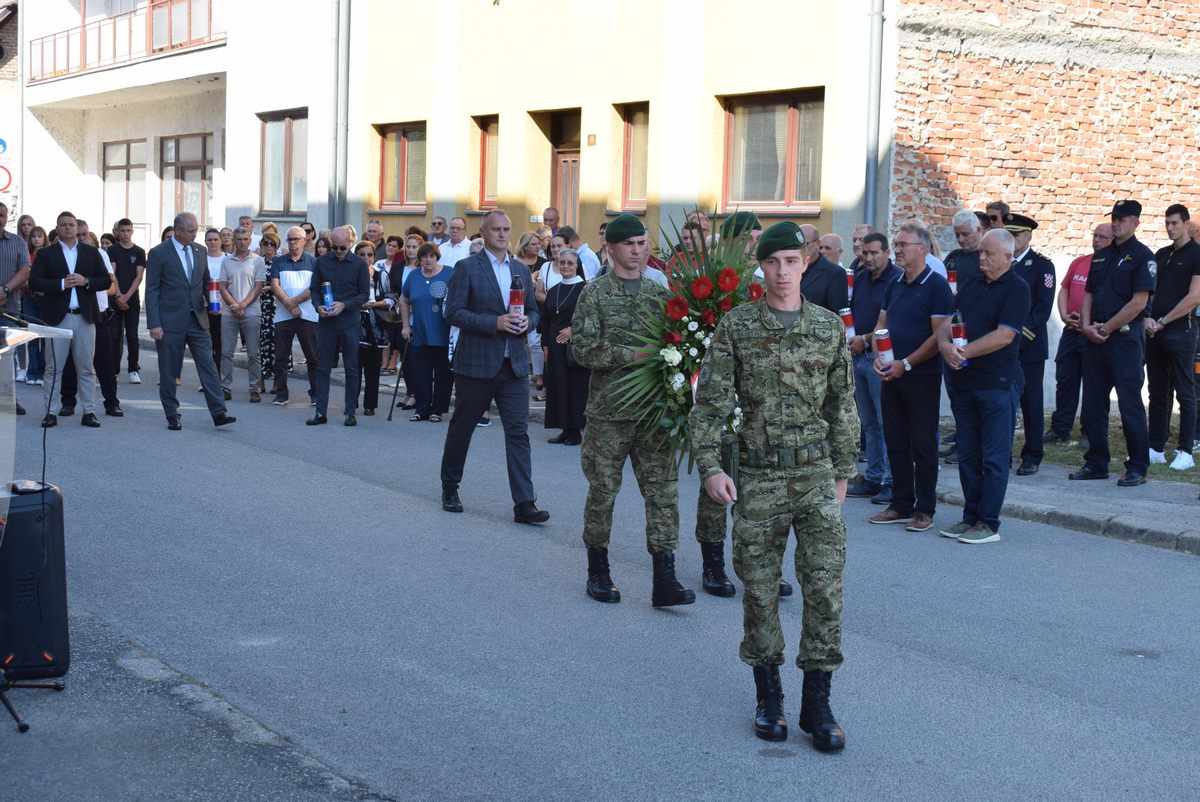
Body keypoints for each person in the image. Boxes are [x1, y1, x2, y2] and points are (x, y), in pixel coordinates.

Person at [690, 220, 855, 751]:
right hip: (758, 477)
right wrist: (712, 468)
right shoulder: (736, 327)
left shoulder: (829, 328)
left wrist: (843, 473)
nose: (783, 272)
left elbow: (842, 407)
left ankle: (818, 702)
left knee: (824, 588)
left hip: (814, 475)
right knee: (760, 592)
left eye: (791, 261)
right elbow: (710, 405)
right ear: (760, 268)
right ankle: (768, 696)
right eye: (772, 262)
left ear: (805, 263)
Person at [570, 213, 692, 607]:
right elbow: (582, 349)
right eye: (629, 244)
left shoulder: (659, 296)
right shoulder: (595, 294)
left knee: (663, 494)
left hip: (653, 413)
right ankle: (598, 572)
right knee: (603, 492)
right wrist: (632, 354)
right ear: (611, 248)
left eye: (642, 244)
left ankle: (665, 578)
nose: (637, 251)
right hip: (609, 414)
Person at [438, 209, 549, 524]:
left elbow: (532, 309)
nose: (502, 234)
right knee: (463, 428)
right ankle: (450, 486)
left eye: (506, 229)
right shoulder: (467, 268)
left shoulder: (520, 269)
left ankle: (524, 503)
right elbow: (453, 312)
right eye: (496, 229)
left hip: (513, 365)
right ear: (483, 232)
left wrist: (529, 321)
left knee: (518, 432)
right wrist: (494, 322)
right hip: (476, 363)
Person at [937, 229, 1030, 544]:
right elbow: (949, 324)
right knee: (968, 455)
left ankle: (988, 523)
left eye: (988, 253)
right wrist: (945, 345)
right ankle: (970, 517)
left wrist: (963, 351)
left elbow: (1005, 334)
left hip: (996, 383)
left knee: (993, 456)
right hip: (964, 382)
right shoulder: (971, 284)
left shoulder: (1017, 289)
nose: (981, 258)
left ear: (1007, 256)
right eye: (980, 253)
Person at [868, 222, 954, 531]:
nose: (899, 250)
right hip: (891, 373)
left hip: (921, 375)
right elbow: (882, 323)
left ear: (923, 248)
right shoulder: (896, 283)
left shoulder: (937, 286)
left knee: (923, 444)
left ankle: (925, 509)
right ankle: (901, 503)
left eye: (904, 244)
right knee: (896, 441)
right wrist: (880, 357)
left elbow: (938, 337)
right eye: (897, 244)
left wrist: (906, 363)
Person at [1071, 200, 1155, 486]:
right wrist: (1085, 326)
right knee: (1093, 405)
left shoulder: (1143, 256)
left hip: (1123, 340)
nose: (1117, 223)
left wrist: (1105, 329)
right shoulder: (1101, 256)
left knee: (1130, 404)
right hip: (1095, 338)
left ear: (1135, 223)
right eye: (1114, 218)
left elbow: (1139, 302)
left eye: (1123, 219)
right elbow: (1089, 294)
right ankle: (1096, 462)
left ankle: (1137, 467)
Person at [145, 212, 235, 430]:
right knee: (169, 370)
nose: (196, 234)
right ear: (177, 231)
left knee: (209, 366)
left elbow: (205, 282)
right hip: (169, 322)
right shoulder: (159, 253)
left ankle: (219, 411)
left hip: (197, 319)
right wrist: (154, 323)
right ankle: (172, 414)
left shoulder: (200, 251)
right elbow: (152, 290)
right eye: (191, 230)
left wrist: (214, 301)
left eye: (197, 230)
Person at [28, 211, 111, 428]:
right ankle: (51, 412)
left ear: (77, 228)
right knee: (53, 368)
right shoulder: (47, 253)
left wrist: (86, 281)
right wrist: (60, 284)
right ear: (57, 228)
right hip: (58, 319)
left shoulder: (92, 252)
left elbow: (104, 281)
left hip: (84, 317)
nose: (67, 228)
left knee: (86, 367)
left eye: (71, 225)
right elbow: (35, 281)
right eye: (63, 225)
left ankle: (89, 411)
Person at [845, 233, 902, 504]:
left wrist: (865, 339)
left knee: (885, 421)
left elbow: (890, 322)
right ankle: (873, 476)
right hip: (858, 356)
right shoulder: (860, 278)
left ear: (887, 251)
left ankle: (892, 480)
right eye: (864, 253)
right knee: (868, 423)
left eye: (873, 253)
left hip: (880, 358)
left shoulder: (896, 278)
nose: (867, 258)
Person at [1145, 204, 1200, 469]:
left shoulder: (1196, 254)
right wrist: (1148, 318)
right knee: (1157, 392)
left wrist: (1164, 320)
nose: (1169, 228)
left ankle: (1185, 451)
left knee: (1184, 392)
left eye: (1174, 223)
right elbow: (1150, 291)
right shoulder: (1161, 254)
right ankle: (1155, 447)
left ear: (1186, 224)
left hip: (1181, 332)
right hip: (1155, 332)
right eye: (1167, 223)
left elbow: (1194, 297)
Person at [1047, 223, 1112, 444]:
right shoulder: (1080, 262)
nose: (1097, 240)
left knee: (1094, 385)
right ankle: (1060, 428)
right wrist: (1065, 315)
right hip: (1071, 331)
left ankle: (1089, 431)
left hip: (1094, 333)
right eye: (1095, 236)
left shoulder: (1113, 266)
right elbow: (1064, 289)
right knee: (1065, 380)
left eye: (1103, 237)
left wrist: (1089, 323)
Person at [1002, 212, 1055, 476]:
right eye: (1008, 235)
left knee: (1031, 401)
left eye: (1015, 235)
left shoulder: (1042, 266)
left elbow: (1042, 310)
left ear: (1028, 236)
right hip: (1002, 347)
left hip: (1028, 346)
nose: (1011, 240)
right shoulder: (1003, 263)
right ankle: (1003, 453)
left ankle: (1032, 454)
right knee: (1003, 401)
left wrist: (1016, 336)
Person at [308, 227, 370, 426]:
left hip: (349, 322)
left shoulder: (359, 264)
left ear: (351, 242)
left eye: (343, 248)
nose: (339, 251)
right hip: (326, 322)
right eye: (334, 247)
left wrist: (345, 305)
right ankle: (320, 412)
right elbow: (314, 290)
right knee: (323, 367)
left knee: (351, 368)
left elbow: (364, 294)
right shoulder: (322, 262)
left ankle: (350, 411)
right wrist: (318, 306)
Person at [59, 229, 122, 418]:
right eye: (78, 235)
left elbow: (111, 285)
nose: (81, 238)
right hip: (72, 314)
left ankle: (111, 402)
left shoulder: (99, 253)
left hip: (97, 314)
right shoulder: (65, 255)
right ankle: (68, 402)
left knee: (104, 361)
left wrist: (86, 282)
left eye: (83, 234)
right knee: (69, 362)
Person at [400, 242, 454, 421]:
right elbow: (404, 300)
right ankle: (422, 408)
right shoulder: (414, 276)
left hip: (444, 333)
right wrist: (406, 325)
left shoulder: (449, 273)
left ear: (437, 256)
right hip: (420, 332)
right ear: (419, 259)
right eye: (424, 257)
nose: (428, 260)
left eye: (431, 256)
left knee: (443, 374)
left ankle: (437, 410)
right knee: (420, 373)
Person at [539, 248, 588, 445]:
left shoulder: (585, 290)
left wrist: (572, 330)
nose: (566, 266)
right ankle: (564, 428)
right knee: (558, 387)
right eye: (563, 262)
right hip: (554, 347)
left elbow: (590, 317)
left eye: (570, 263)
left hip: (574, 348)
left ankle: (575, 430)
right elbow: (546, 319)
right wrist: (545, 345)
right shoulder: (554, 290)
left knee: (575, 387)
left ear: (577, 267)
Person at [269, 227, 319, 407]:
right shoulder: (279, 262)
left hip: (308, 316)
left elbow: (314, 287)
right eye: (289, 240)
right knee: (281, 356)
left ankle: (315, 393)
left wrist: (295, 302)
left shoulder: (313, 262)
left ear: (304, 240)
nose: (293, 243)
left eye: (296, 239)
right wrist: (289, 304)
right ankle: (281, 393)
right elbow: (275, 285)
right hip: (283, 315)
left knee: (312, 356)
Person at [219, 227, 266, 402]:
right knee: (226, 353)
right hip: (229, 312)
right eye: (239, 239)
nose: (242, 242)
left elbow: (258, 287)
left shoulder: (258, 261)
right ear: (233, 240)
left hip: (251, 311)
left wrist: (243, 305)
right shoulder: (226, 261)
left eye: (245, 239)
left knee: (253, 353)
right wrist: (234, 305)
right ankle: (225, 387)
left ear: (250, 239)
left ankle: (254, 388)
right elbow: (222, 286)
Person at [103, 217, 147, 384]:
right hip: (116, 298)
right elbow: (112, 273)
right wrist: (119, 295)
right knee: (114, 335)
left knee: (133, 335)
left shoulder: (139, 251)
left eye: (128, 230)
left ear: (132, 231)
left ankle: (133, 369)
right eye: (122, 231)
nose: (125, 234)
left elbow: (139, 276)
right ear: (117, 232)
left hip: (132, 299)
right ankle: (114, 369)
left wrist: (127, 296)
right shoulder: (112, 250)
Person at [357, 241, 392, 416]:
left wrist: (374, 304)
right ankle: (352, 402)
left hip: (375, 327)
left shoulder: (382, 275)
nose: (365, 258)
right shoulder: (350, 273)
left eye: (369, 254)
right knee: (354, 368)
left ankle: (370, 405)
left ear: (374, 256)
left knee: (372, 370)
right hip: (354, 327)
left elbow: (391, 300)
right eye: (361, 254)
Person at [515, 231, 547, 400]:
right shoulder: (514, 262)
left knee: (535, 343)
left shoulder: (544, 263)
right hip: (515, 305)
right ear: (525, 245)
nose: (537, 246)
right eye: (533, 244)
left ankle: (539, 375)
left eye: (538, 244)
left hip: (536, 306)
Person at [798, 225, 849, 313]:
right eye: (797, 244)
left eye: (805, 244)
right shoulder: (791, 269)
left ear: (817, 244)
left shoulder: (835, 273)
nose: (800, 249)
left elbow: (837, 315)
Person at [257, 233, 285, 392]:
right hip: (260, 307)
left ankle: (277, 383)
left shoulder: (280, 263)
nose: (268, 247)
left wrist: (270, 288)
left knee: (278, 345)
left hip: (277, 307)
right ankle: (260, 380)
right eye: (265, 244)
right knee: (260, 344)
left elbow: (284, 284)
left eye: (272, 244)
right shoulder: (256, 262)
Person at [203, 228, 225, 369]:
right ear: (205, 242)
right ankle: (209, 378)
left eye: (215, 239)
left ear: (221, 241)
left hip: (225, 305)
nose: (212, 242)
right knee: (208, 344)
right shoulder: (201, 259)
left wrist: (224, 301)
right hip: (205, 306)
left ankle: (221, 378)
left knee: (222, 345)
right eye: (209, 240)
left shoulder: (228, 258)